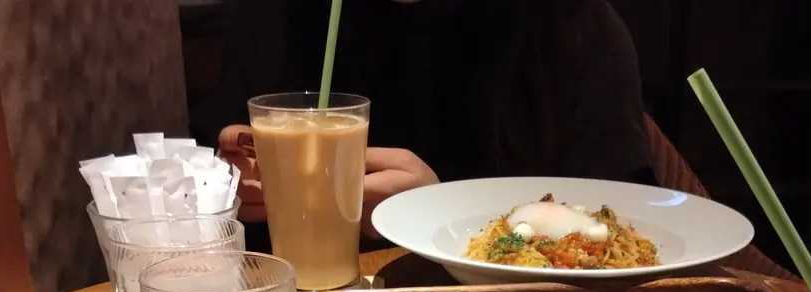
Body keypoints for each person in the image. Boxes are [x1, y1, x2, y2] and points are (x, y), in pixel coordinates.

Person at [190, 0, 655, 247]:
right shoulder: (280, 16)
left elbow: (619, 228)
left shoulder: (570, 24)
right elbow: (211, 186)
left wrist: (442, 216)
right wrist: (229, 192)